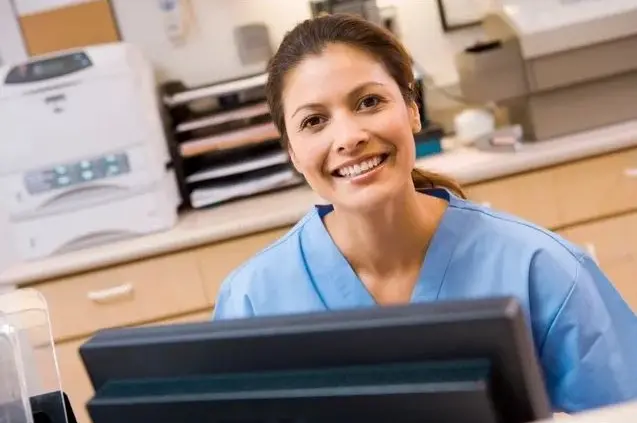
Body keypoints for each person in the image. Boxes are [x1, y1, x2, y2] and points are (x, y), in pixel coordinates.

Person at [212, 13, 637, 413]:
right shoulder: (251, 302)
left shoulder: (541, 270)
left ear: (412, 109)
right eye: (314, 121)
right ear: (291, 150)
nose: (348, 137)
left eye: (368, 102)